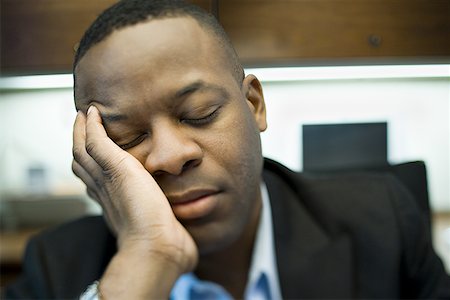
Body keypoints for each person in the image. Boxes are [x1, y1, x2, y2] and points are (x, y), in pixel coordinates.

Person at [4, 0, 450, 299]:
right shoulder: (55, 268)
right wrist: (146, 257)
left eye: (198, 113)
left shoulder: (383, 223)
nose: (169, 156)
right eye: (125, 139)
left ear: (253, 105)